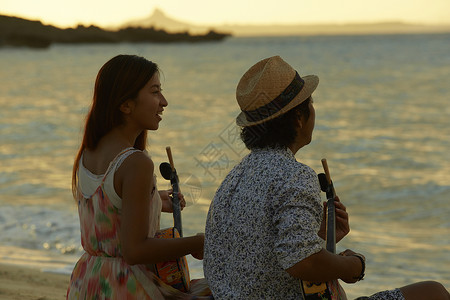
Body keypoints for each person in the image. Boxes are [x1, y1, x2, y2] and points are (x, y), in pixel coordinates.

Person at [203, 56, 449, 300]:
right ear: (299, 118)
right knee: (433, 292)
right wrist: (354, 265)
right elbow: (303, 262)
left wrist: (320, 236)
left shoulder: (235, 176)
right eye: (310, 103)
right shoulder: (294, 175)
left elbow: (263, 255)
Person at [67, 54, 212, 299]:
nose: (164, 101)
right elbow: (135, 251)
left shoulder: (89, 151)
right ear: (126, 105)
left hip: (89, 281)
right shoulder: (135, 163)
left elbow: (109, 207)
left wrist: (155, 201)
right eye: (155, 92)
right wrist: (197, 243)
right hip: (127, 286)